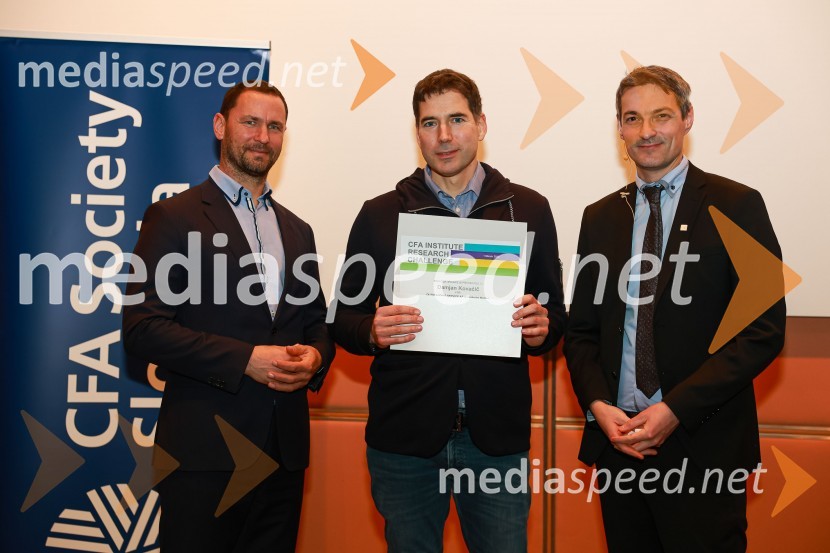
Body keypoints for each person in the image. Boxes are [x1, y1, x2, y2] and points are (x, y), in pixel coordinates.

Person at [332, 68, 566, 552]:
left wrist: (542, 327)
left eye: (456, 119)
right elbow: (342, 319)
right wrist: (372, 330)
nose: (443, 136)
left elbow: (554, 313)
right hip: (405, 438)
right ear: (416, 131)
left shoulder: (527, 208)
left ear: (481, 124)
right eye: (429, 123)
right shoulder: (380, 214)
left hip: (496, 437)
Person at [564, 65, 786, 552]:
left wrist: (674, 410)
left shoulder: (738, 205)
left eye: (661, 116)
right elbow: (580, 332)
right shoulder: (598, 218)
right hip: (619, 447)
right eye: (632, 118)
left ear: (687, 118)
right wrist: (600, 406)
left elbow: (763, 331)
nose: (646, 132)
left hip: (703, 447)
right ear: (619, 128)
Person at [122, 81, 334, 552]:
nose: (263, 136)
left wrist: (316, 359)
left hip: (283, 455)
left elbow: (317, 321)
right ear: (221, 126)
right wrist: (245, 359)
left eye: (275, 126)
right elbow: (142, 328)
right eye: (251, 122)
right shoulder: (173, 216)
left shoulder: (298, 230)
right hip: (203, 455)